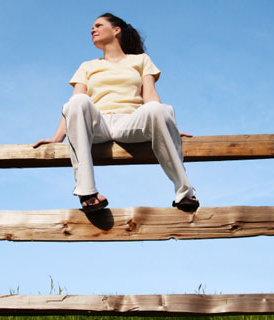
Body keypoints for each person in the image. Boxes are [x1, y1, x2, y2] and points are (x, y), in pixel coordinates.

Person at [33, 13, 199, 213]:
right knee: (79, 100)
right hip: (97, 125)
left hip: (129, 123)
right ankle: (87, 192)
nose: (92, 30)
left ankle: (184, 193)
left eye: (98, 25)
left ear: (116, 30)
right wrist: (56, 137)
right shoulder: (87, 66)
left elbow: (151, 98)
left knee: (160, 109)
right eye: (92, 28)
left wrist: (168, 125)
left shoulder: (141, 60)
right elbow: (73, 107)